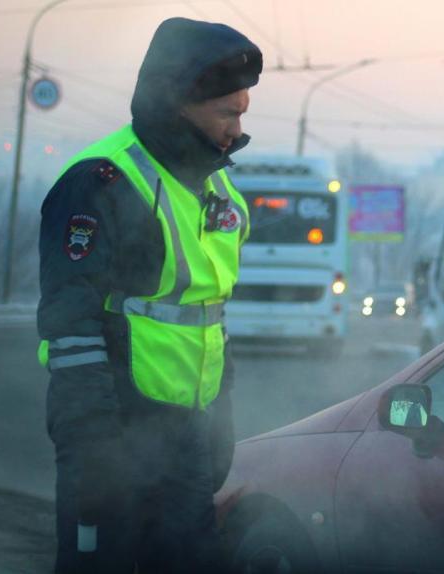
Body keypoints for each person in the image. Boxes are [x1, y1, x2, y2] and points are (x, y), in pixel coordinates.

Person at [36, 17, 261, 573]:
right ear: (180, 101)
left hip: (185, 431)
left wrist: (219, 414)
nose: (237, 128)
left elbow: (208, 314)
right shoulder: (101, 180)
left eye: (242, 112)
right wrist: (92, 443)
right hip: (114, 432)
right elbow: (71, 322)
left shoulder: (217, 185)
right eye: (227, 113)